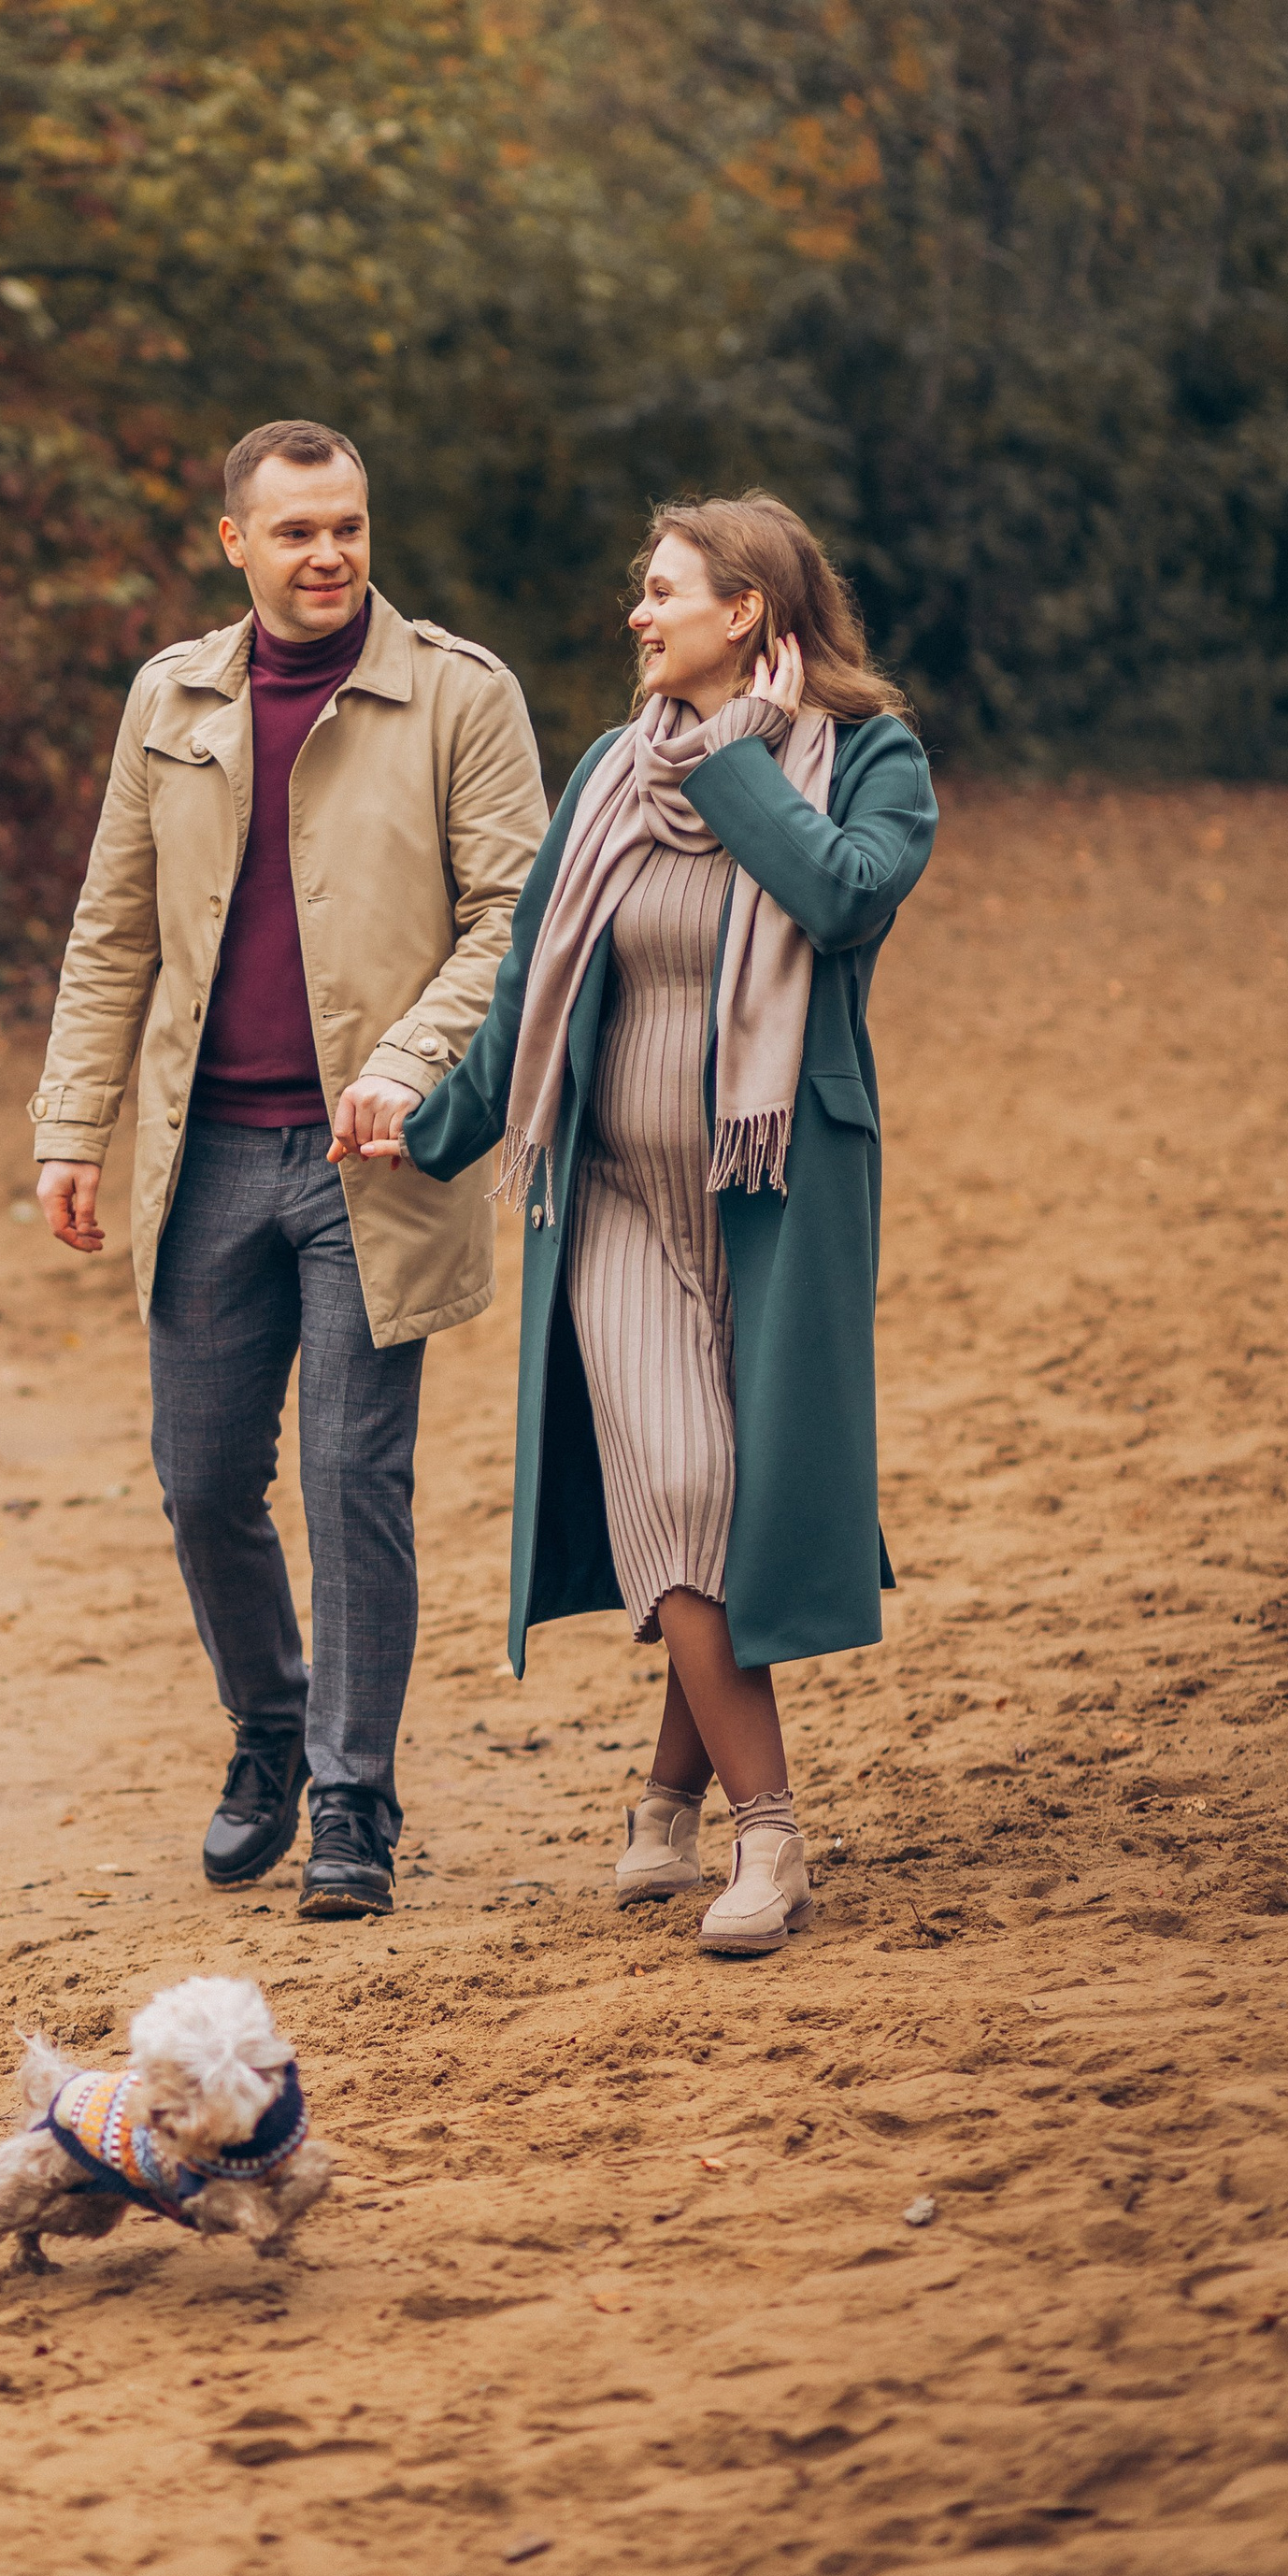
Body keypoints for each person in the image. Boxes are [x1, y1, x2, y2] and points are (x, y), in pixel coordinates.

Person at [361, 493, 937, 1954]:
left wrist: (743, 767)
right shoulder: (613, 769)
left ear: (743, 615)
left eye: (664, 592)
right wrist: (426, 1130)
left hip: (775, 1207)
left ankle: (665, 1799)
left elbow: (843, 897)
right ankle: (771, 1839)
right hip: (609, 1199)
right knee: (680, 1491)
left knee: (736, 1501)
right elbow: (526, 998)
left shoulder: (869, 759)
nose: (639, 614)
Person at [29, 420, 548, 1919]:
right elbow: (113, 927)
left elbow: (512, 919)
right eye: (299, 532)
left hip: (370, 1162)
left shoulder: (461, 692)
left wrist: (405, 1059)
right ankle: (268, 1727)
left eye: (351, 528)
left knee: (350, 1476)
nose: (330, 556)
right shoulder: (169, 698)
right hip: (202, 1162)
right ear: (236, 544)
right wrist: (75, 1125)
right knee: (201, 1484)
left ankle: (350, 1801)